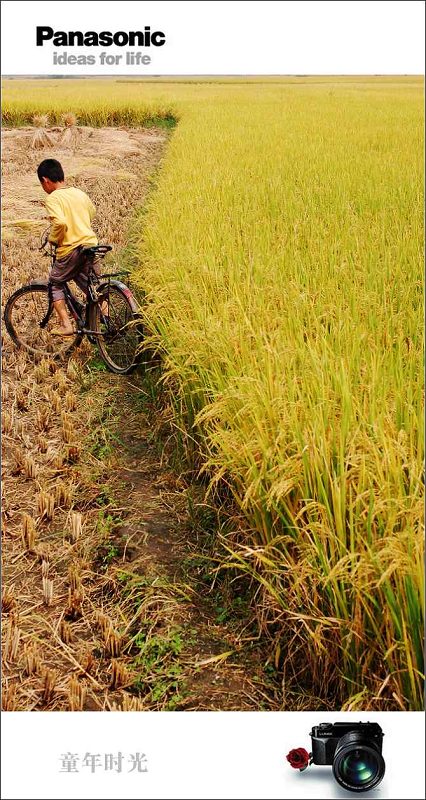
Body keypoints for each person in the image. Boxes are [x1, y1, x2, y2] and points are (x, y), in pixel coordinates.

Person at [37, 158, 99, 336]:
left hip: (71, 249)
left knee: (55, 284)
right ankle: (108, 322)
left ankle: (66, 325)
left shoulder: (53, 198)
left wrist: (53, 239)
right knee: (93, 289)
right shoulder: (79, 193)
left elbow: (61, 223)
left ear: (45, 180)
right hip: (90, 245)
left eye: (42, 184)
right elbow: (91, 212)